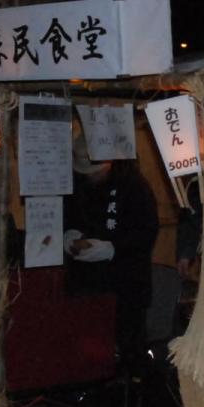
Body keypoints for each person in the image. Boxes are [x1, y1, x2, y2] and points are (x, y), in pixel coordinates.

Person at [63, 135, 159, 374]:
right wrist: (70, 236)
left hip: (127, 285)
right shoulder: (81, 184)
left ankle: (129, 396)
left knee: (127, 349)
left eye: (96, 169)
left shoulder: (134, 186)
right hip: (90, 283)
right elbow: (71, 215)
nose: (91, 175)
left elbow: (146, 232)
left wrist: (111, 247)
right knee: (88, 349)